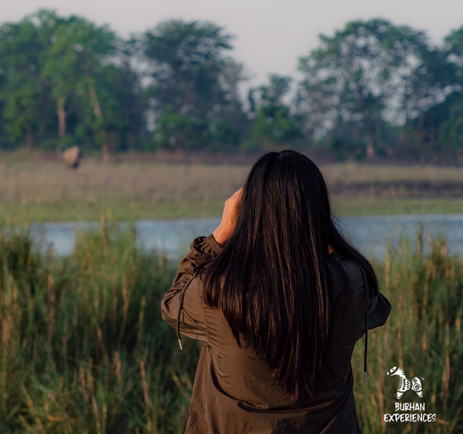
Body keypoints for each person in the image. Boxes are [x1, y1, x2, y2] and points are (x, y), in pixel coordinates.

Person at [161, 150, 391, 433]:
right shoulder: (351, 282)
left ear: (248, 212)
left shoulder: (219, 289)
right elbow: (377, 309)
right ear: (319, 211)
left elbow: (173, 304)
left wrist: (219, 236)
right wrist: (320, 241)